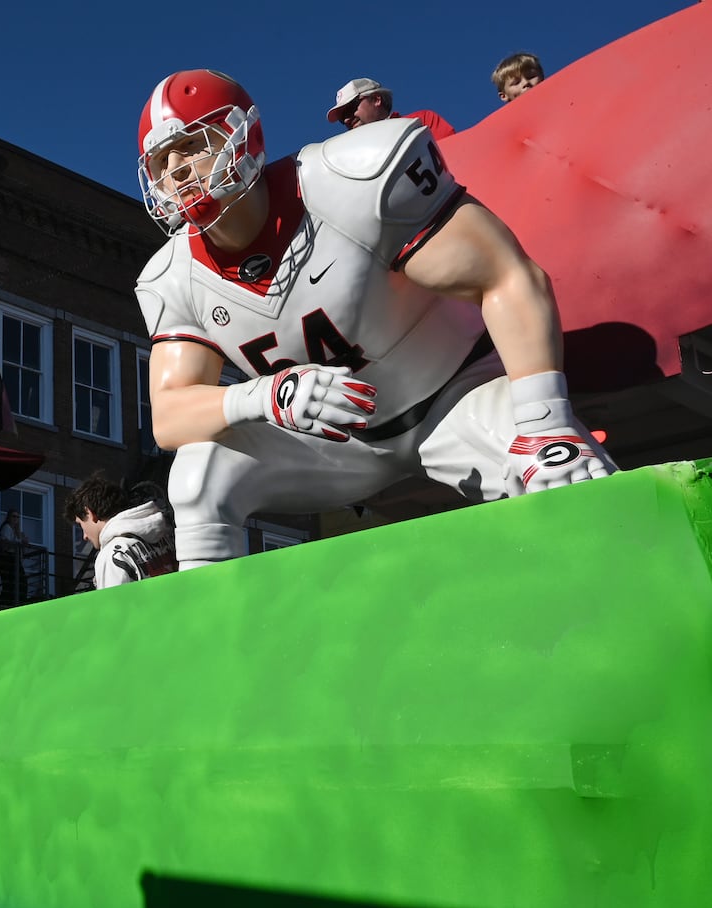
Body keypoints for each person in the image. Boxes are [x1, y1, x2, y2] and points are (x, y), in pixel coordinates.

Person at [134, 69, 615, 567]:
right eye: (161, 162)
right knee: (197, 473)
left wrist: (547, 423)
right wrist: (265, 396)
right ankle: (212, 635)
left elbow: (506, 276)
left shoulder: (348, 178)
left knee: (570, 478)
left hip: (454, 398)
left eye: (193, 145)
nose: (178, 172)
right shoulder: (173, 276)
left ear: (244, 136)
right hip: (343, 445)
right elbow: (170, 415)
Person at [63, 473, 176, 588]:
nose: (84, 536)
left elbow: (113, 605)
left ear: (90, 513)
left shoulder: (112, 555)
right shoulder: (163, 537)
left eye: (80, 524)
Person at [325, 77, 455, 138]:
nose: (347, 120)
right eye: (342, 119)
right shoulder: (346, 156)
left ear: (376, 99)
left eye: (350, 109)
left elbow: (453, 157)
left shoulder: (421, 123)